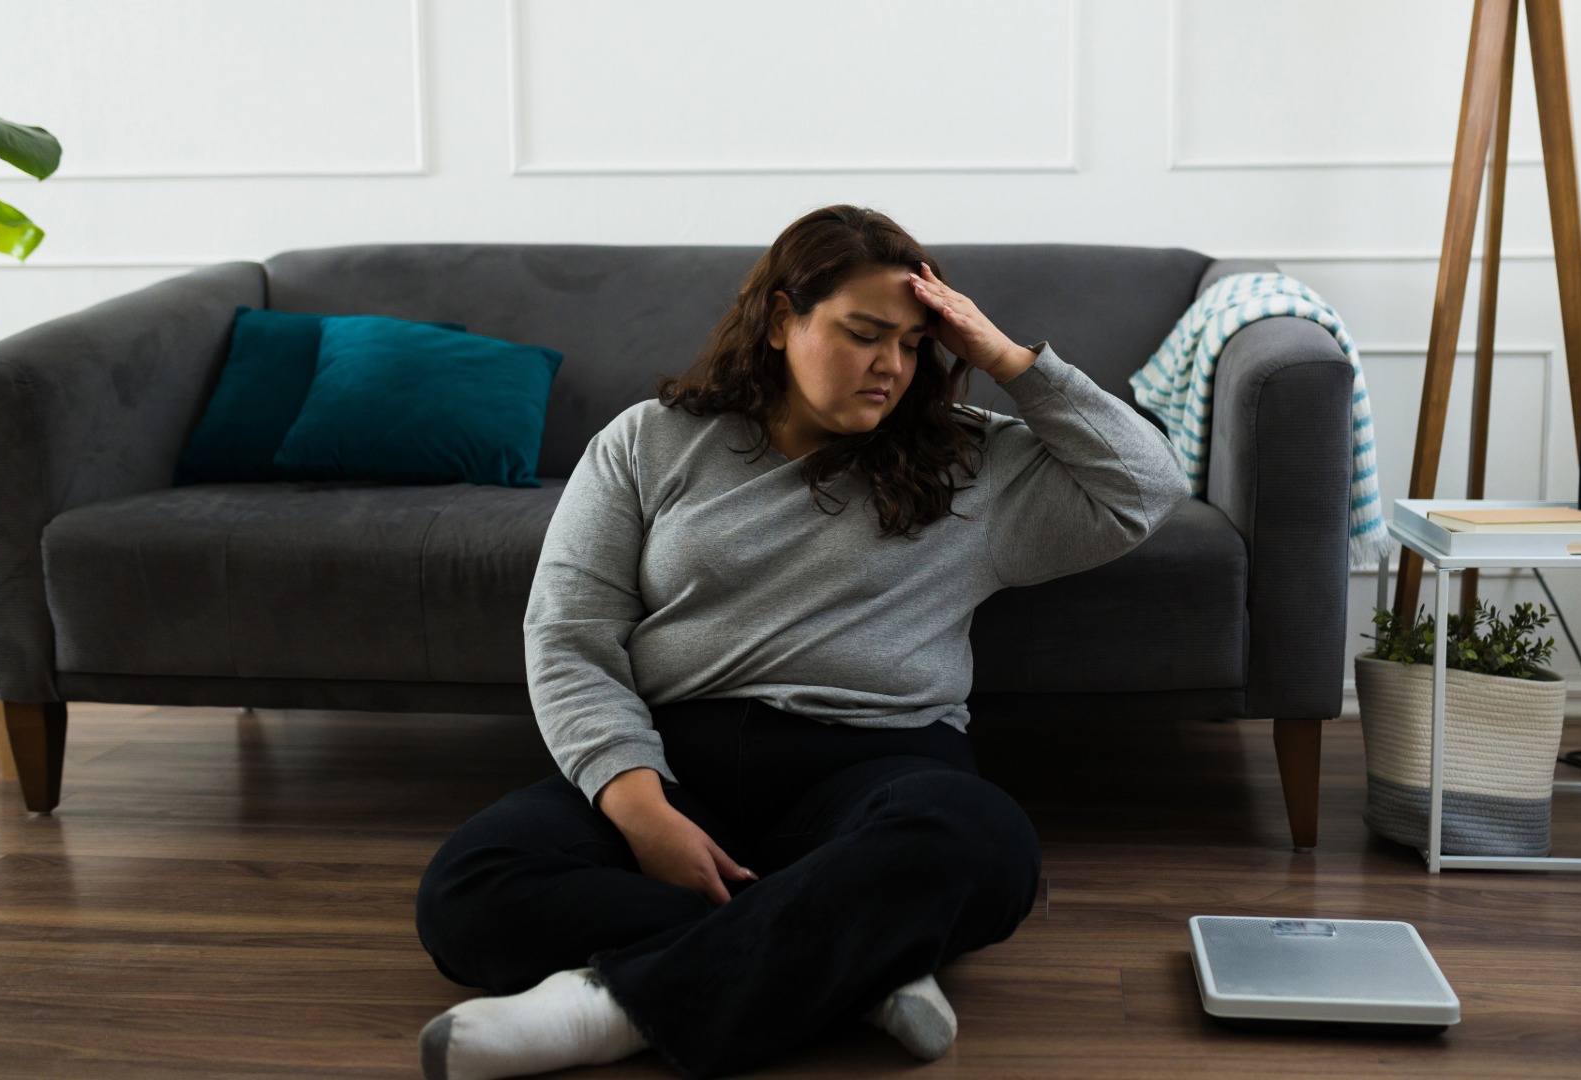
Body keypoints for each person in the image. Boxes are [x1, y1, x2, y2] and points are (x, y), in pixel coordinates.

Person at [413, 205, 1194, 1080]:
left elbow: (1147, 486)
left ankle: (608, 1009)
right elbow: (568, 634)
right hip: (676, 764)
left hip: (880, 768)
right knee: (466, 891)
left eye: (911, 344)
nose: (891, 367)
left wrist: (1008, 359)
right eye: (864, 335)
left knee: (986, 843)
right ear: (783, 320)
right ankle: (859, 963)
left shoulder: (977, 463)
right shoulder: (649, 440)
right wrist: (643, 813)